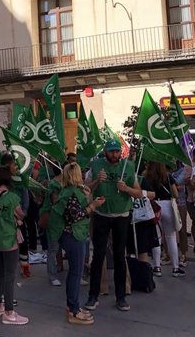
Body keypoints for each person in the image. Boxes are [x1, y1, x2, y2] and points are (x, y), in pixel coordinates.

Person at [84, 139, 140, 312]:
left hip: (122, 215)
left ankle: (121, 297)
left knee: (119, 257)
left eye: (117, 151)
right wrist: (97, 182)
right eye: (111, 151)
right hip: (101, 215)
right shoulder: (95, 165)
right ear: (105, 151)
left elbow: (138, 193)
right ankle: (93, 296)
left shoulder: (128, 167)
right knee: (99, 256)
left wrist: (126, 189)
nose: (114, 154)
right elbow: (85, 189)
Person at [52, 162, 104, 325]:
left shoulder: (69, 191)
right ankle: (73, 310)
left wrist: (89, 198)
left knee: (74, 273)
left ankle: (72, 306)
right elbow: (76, 215)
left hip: (72, 235)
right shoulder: (72, 193)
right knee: (75, 273)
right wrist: (93, 206)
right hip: (73, 235)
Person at [0, 166, 28, 325]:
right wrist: (17, 218)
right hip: (9, 240)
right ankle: (9, 312)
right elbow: (21, 214)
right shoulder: (12, 197)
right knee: (9, 276)